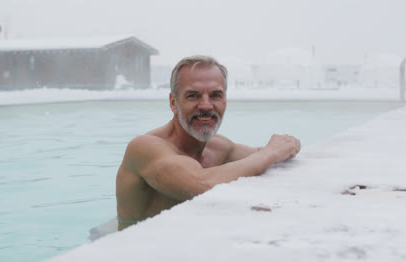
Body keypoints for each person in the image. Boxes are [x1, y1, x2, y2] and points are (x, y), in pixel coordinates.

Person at [116, 55, 300, 230]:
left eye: (215, 95)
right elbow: (201, 184)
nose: (206, 105)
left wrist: (286, 145)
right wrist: (271, 153)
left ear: (225, 100)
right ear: (173, 102)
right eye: (193, 96)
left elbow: (270, 152)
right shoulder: (144, 147)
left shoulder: (219, 147)